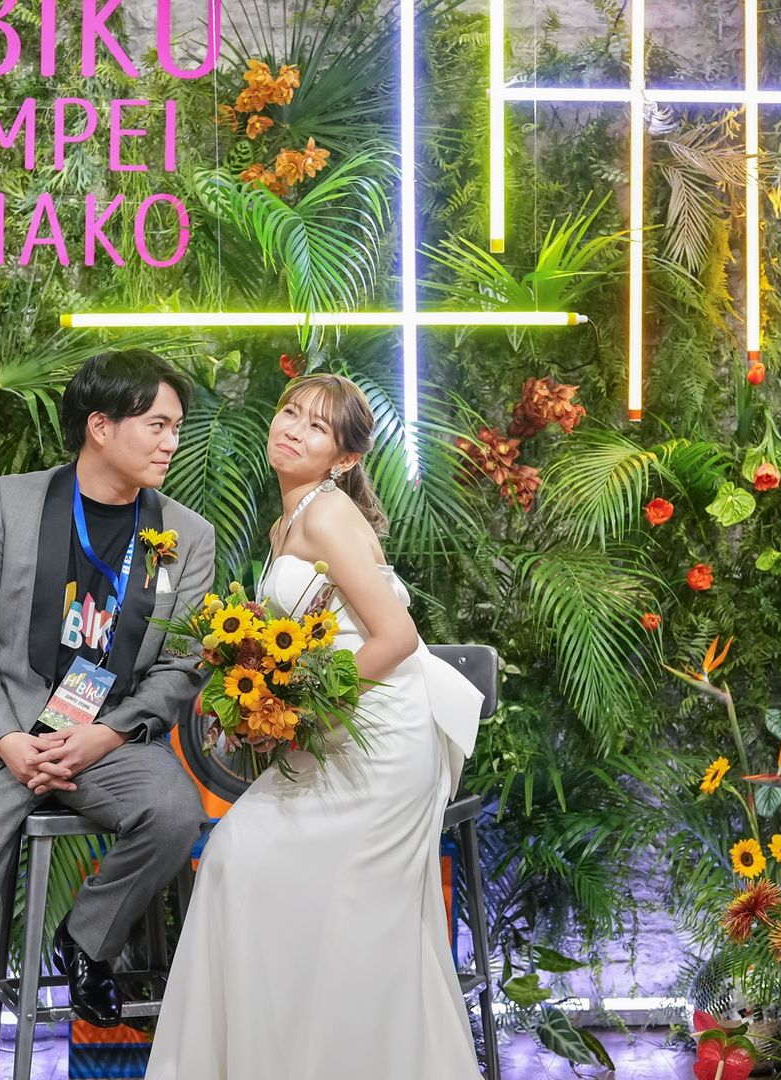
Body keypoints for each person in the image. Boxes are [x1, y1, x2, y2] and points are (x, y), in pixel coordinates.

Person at [0, 350, 215, 1080]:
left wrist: (107, 734)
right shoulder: (11, 502)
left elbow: (183, 665)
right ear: (101, 426)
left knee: (173, 810)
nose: (172, 442)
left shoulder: (187, 535)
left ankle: (86, 938)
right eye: (158, 425)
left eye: (176, 428)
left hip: (105, 740)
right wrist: (6, 737)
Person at [145, 373, 486, 1080]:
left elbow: (396, 638)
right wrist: (257, 696)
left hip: (380, 740)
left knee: (290, 883)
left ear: (344, 458)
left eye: (317, 426)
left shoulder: (327, 514)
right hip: (330, 732)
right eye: (290, 412)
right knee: (240, 863)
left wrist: (298, 709)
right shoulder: (288, 521)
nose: (294, 429)